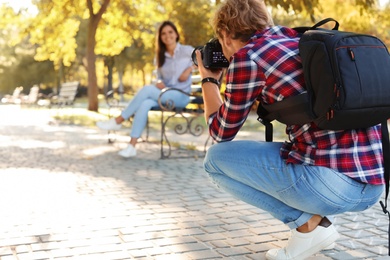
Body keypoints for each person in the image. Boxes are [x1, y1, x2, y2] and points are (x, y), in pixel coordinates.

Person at [195, 0, 384, 259]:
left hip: (333, 187)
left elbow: (220, 132)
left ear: (226, 36)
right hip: (375, 184)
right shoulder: (300, 38)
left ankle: (308, 226)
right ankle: (314, 228)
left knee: (215, 161)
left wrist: (209, 79)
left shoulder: (248, 56)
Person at [96, 21, 194, 158]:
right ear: (160, 37)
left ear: (176, 34)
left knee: (147, 90)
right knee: (145, 103)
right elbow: (159, 77)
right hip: (165, 95)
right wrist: (159, 82)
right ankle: (132, 146)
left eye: (170, 32)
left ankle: (119, 120)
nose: (167, 36)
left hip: (181, 96)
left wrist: (189, 69)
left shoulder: (187, 51)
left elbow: (202, 60)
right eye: (164, 33)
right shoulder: (160, 56)